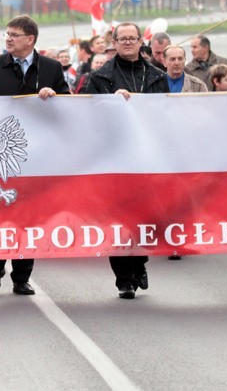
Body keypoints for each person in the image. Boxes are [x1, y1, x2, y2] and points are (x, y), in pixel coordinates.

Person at [0, 15, 69, 296]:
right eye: (6, 33)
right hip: (0, 156)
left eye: (15, 34)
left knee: (28, 217)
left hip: (36, 157)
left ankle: (22, 277)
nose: (8, 38)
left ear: (30, 39)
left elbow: (70, 104)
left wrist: (54, 94)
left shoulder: (51, 67)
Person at [85, 22, 168, 299]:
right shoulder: (101, 77)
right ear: (115, 43)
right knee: (117, 219)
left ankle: (140, 262)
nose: (128, 43)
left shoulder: (157, 75)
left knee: (144, 217)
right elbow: (86, 112)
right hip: (114, 159)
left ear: (140, 42)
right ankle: (124, 279)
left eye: (133, 38)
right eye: (123, 39)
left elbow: (166, 112)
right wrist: (112, 101)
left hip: (146, 157)